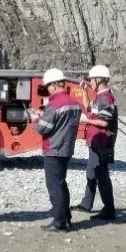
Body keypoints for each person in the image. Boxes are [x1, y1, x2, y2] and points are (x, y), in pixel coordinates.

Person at [33, 68, 82, 232]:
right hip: (67, 148)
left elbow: (42, 129)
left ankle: (59, 222)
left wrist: (36, 119)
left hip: (53, 149)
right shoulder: (74, 103)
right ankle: (66, 217)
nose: (47, 90)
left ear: (53, 85)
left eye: (47, 86)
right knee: (61, 183)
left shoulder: (54, 104)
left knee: (54, 186)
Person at [71, 65, 118, 220]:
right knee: (91, 173)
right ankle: (86, 204)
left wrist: (86, 120)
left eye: (91, 80)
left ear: (98, 80)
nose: (90, 82)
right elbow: (88, 106)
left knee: (102, 176)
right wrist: (84, 90)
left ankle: (109, 210)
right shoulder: (100, 98)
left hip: (102, 143)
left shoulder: (106, 98)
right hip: (96, 142)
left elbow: (104, 123)